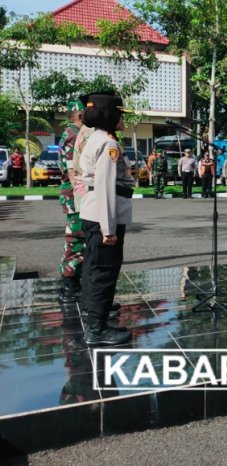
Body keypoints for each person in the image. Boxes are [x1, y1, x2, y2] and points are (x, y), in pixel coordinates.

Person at [78, 91, 134, 346]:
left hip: (93, 212)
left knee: (94, 268)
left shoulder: (98, 138)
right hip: (104, 215)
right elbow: (105, 187)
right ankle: (96, 329)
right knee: (103, 271)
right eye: (120, 114)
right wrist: (108, 228)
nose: (123, 119)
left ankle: (93, 316)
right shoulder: (109, 144)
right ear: (110, 116)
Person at [57, 100, 87, 314]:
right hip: (74, 193)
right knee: (76, 238)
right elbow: (71, 171)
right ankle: (69, 287)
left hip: (73, 192)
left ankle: (74, 284)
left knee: (79, 238)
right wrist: (81, 197)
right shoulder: (73, 135)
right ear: (80, 115)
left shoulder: (71, 133)